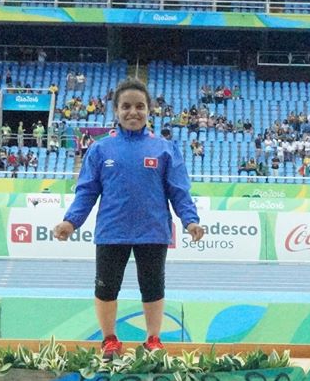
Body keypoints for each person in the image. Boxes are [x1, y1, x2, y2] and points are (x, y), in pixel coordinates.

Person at [52, 78, 204, 358]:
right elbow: (86, 191)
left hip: (153, 231)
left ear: (149, 110)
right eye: (126, 107)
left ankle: (153, 340)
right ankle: (109, 340)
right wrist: (70, 221)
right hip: (112, 231)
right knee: (106, 288)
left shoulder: (165, 148)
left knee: (153, 287)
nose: (133, 112)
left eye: (139, 106)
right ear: (116, 111)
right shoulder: (100, 150)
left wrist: (190, 220)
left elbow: (179, 191)